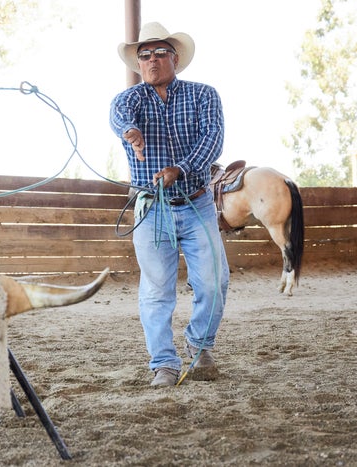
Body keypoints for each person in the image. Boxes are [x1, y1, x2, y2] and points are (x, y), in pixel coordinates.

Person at [109, 22, 230, 387]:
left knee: (213, 281)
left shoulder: (203, 95)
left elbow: (213, 139)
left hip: (196, 202)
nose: (151, 61)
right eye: (143, 56)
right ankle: (163, 362)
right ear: (138, 64)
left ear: (175, 59)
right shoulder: (131, 99)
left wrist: (181, 168)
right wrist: (130, 132)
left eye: (159, 53)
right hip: (152, 208)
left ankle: (199, 343)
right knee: (157, 288)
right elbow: (118, 114)